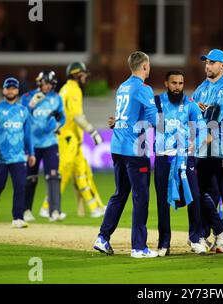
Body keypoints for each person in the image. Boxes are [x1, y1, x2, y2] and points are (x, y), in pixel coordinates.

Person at [93, 51, 159, 258]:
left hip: (118, 147)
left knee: (120, 194)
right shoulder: (143, 89)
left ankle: (103, 238)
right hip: (135, 149)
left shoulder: (123, 87)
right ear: (145, 67)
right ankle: (139, 247)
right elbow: (154, 120)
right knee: (141, 198)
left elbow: (125, 117)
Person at [191, 49, 223, 254]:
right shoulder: (200, 90)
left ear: (222, 65)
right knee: (202, 194)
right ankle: (206, 234)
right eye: (206, 62)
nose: (208, 66)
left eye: (212, 63)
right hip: (204, 151)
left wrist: (213, 132)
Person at [38, 62, 106, 219]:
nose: (85, 77)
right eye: (83, 74)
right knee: (63, 173)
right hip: (67, 138)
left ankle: (96, 207)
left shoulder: (65, 89)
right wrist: (92, 131)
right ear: (76, 75)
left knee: (83, 171)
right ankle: (48, 207)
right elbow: (76, 117)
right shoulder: (73, 90)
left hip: (69, 138)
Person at [153, 70, 208, 256]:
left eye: (181, 83)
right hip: (163, 158)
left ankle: (195, 238)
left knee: (194, 197)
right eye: (174, 83)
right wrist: (118, 121)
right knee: (162, 202)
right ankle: (164, 243)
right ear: (166, 84)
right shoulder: (157, 102)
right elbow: (138, 119)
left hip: (185, 158)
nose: (177, 87)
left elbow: (202, 129)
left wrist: (195, 143)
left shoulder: (190, 105)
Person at [0, 77, 36, 228]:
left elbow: (28, 134)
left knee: (20, 186)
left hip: (18, 156)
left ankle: (17, 218)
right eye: (8, 88)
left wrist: (31, 153)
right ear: (3, 90)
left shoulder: (23, 111)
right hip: (0, 157)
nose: (11, 91)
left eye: (13, 88)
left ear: (17, 91)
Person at [21, 71, 66, 222]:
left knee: (53, 175)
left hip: (50, 142)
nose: (47, 86)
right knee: (30, 177)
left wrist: (57, 125)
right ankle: (25, 210)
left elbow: (62, 117)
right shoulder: (27, 97)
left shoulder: (56, 98)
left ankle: (54, 211)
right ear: (39, 83)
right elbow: (20, 116)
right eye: (45, 83)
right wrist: (31, 105)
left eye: (50, 84)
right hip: (32, 143)